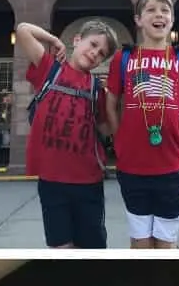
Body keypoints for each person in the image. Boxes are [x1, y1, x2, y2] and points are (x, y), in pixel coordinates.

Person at [106, 0, 179, 249]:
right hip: (131, 168)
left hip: (170, 169)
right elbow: (111, 103)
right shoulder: (123, 58)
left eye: (165, 10)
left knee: (165, 243)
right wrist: (119, 141)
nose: (158, 15)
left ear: (172, 20)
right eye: (151, 10)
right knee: (140, 243)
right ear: (138, 20)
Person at [17, 18, 118, 249]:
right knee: (61, 247)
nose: (95, 53)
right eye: (92, 45)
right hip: (52, 182)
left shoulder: (96, 89)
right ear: (77, 40)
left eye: (101, 53)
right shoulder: (49, 69)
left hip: (88, 181)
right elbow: (23, 30)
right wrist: (53, 40)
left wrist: (115, 99)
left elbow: (106, 129)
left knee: (93, 248)